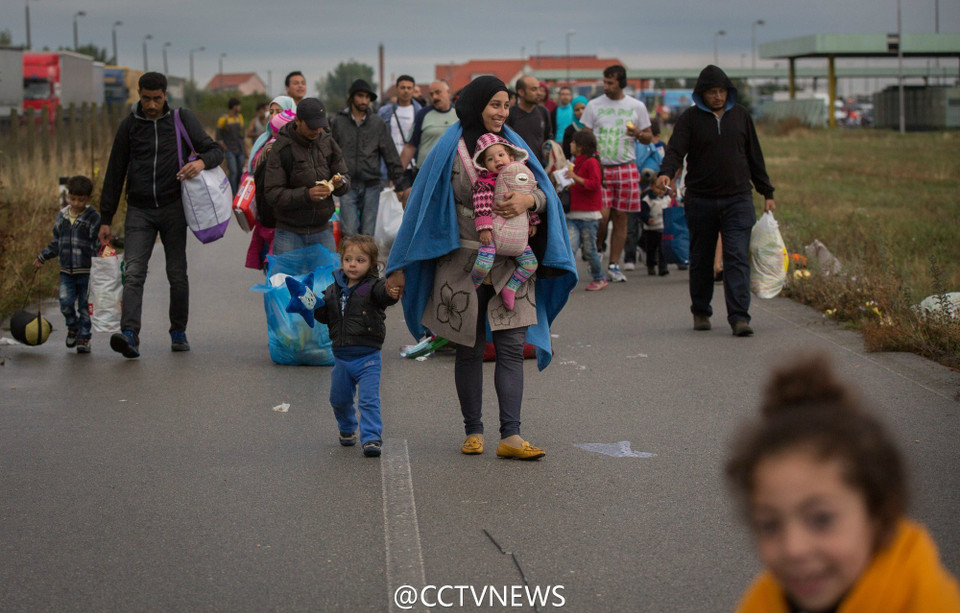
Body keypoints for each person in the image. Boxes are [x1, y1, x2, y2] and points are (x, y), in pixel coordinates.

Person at [384, 76, 577, 461]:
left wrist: (529, 199)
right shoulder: (447, 149)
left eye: (506, 105)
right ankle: (473, 429)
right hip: (461, 266)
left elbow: (546, 196)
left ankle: (512, 435)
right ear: (476, 105)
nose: (502, 113)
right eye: (495, 105)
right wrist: (398, 264)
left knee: (508, 348)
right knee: (469, 350)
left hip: (511, 263)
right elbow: (419, 208)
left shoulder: (514, 147)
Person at [726, 353, 960, 613]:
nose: (794, 548)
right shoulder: (761, 604)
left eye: (821, 519)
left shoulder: (931, 603)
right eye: (769, 525)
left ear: (878, 513)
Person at [99, 72, 223, 358]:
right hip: (139, 210)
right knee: (133, 273)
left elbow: (215, 151)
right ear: (139, 94)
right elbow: (114, 173)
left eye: (156, 99)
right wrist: (106, 218)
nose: (151, 105)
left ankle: (178, 331)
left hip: (173, 209)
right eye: (145, 98)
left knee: (177, 274)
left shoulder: (181, 119)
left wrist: (201, 163)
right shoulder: (129, 126)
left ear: (166, 94)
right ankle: (129, 334)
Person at [656, 64, 776, 337]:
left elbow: (755, 156)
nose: (718, 97)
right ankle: (700, 311)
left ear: (729, 92)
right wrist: (665, 173)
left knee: (736, 258)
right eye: (712, 92)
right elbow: (675, 151)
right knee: (701, 257)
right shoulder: (690, 119)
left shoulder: (741, 116)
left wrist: (767, 192)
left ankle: (739, 317)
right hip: (701, 200)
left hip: (738, 199)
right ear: (702, 94)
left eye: (722, 91)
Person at [313, 235, 401, 458]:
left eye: (360, 260)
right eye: (348, 259)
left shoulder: (373, 287)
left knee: (369, 400)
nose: (353, 264)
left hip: (368, 357)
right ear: (342, 260)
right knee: (338, 399)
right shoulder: (333, 289)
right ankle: (347, 427)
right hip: (341, 358)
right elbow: (325, 316)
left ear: (372, 264)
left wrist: (391, 292)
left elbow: (385, 295)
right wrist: (312, 304)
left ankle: (371, 438)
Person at [581, 64, 653, 283]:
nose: (606, 86)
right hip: (601, 168)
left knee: (621, 217)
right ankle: (598, 248)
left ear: (621, 83)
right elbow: (585, 137)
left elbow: (649, 137)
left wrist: (638, 133)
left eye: (610, 83)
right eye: (604, 81)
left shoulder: (636, 106)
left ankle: (614, 264)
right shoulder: (593, 105)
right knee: (601, 217)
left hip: (626, 167)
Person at [263, 97, 350, 254]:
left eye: (320, 127)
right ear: (297, 120)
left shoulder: (327, 141)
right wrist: (307, 195)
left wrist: (340, 183)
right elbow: (272, 194)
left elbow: (344, 176)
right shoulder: (281, 148)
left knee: (325, 279)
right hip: (289, 233)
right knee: (286, 279)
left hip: (323, 230)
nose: (317, 131)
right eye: (312, 127)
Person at [329, 79, 408, 237]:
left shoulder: (377, 123)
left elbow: (390, 154)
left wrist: (400, 184)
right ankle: (351, 262)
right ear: (351, 97)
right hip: (346, 183)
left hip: (371, 184)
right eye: (360, 96)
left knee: (367, 234)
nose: (364, 100)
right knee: (349, 231)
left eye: (367, 97)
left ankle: (367, 262)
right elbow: (330, 153)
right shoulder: (338, 122)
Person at [469, 134, 540, 310]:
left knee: (531, 264)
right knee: (483, 264)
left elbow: (527, 202)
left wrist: (533, 221)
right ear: (484, 165)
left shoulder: (520, 180)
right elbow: (481, 206)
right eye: (490, 159)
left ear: (511, 157)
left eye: (501, 155)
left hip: (518, 237)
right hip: (494, 234)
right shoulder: (485, 183)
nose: (497, 160)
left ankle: (511, 288)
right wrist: (484, 229)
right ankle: (473, 286)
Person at [34, 175, 100, 354]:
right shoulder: (62, 216)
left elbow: (97, 243)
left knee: (85, 307)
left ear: (88, 199)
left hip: (86, 271)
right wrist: (42, 257)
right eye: (73, 199)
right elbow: (56, 242)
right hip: (66, 272)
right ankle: (73, 326)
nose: (76, 203)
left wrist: (103, 262)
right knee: (65, 302)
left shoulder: (93, 217)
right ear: (68, 196)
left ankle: (84, 338)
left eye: (81, 200)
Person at [244, 110, 296, 271]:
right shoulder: (274, 149)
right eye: (271, 111)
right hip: (274, 217)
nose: (273, 114)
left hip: (269, 219)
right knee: (278, 265)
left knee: (275, 265)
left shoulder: (267, 146)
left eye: (278, 110)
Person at [565, 130, 607, 291]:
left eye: (574, 142)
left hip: (589, 216)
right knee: (570, 248)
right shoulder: (576, 161)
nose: (571, 144)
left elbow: (594, 184)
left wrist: (575, 178)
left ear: (581, 146)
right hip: (573, 214)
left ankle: (599, 277)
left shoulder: (591, 162)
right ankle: (566, 279)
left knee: (589, 251)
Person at [624, 120, 665, 270]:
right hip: (631, 187)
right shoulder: (628, 143)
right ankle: (630, 256)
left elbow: (659, 165)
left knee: (650, 225)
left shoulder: (654, 148)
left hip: (649, 193)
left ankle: (647, 252)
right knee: (631, 225)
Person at [400, 80, 457, 171]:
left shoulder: (459, 114)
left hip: (451, 172)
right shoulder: (423, 114)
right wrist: (397, 176)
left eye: (438, 92)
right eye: (431, 94)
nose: (434, 97)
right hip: (425, 171)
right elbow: (410, 146)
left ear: (448, 93)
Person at [378, 75, 423, 166]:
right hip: (389, 164)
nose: (406, 91)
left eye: (409, 88)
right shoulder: (384, 112)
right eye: (402, 87)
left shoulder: (420, 112)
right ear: (397, 89)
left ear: (413, 90)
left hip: (412, 164)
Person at [507, 75, 553, 164]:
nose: (539, 93)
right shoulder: (510, 114)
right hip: (518, 166)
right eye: (534, 89)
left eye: (539, 89)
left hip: (539, 166)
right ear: (521, 92)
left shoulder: (543, 112)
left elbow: (548, 137)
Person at [639, 180, 670, 276]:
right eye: (658, 188)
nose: (661, 191)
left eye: (663, 189)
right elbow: (642, 212)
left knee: (663, 249)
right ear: (651, 187)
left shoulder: (667, 198)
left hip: (663, 228)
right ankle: (651, 265)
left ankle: (663, 267)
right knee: (651, 249)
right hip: (651, 229)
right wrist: (647, 218)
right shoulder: (647, 199)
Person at [217, 97, 247, 194]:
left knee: (240, 172)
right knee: (233, 172)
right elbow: (218, 137)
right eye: (239, 105)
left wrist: (245, 149)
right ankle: (233, 194)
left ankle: (239, 192)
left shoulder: (240, 117)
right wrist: (226, 149)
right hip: (230, 150)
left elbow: (242, 135)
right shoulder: (223, 119)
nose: (240, 107)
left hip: (239, 149)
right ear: (234, 106)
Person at [561, 95, 588, 159]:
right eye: (577, 110)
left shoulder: (593, 126)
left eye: (583, 108)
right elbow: (566, 154)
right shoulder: (569, 130)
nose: (581, 112)